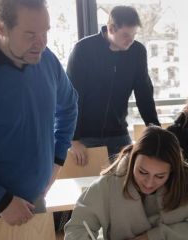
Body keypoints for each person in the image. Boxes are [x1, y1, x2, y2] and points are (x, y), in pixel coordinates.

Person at [0, 0, 78, 225]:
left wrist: (58, 160)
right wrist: (2, 202)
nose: (41, 43)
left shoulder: (46, 59)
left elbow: (68, 108)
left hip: (34, 201)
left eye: (45, 32)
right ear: (1, 27)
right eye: (30, 35)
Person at [64, 126, 188, 240]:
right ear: (133, 160)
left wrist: (161, 234)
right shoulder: (108, 184)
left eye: (160, 176)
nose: (149, 183)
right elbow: (75, 228)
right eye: (142, 172)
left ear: (173, 172)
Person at [67, 5, 160, 164]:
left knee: (124, 185)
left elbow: (143, 91)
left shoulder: (137, 52)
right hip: (85, 137)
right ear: (111, 28)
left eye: (134, 34)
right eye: (125, 35)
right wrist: (73, 139)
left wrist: (154, 127)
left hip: (119, 133)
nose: (130, 40)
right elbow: (73, 96)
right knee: (90, 186)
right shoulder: (84, 49)